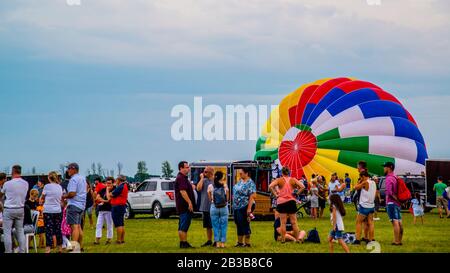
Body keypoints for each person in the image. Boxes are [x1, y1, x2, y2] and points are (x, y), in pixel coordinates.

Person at [269, 166, 305, 243]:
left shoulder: (279, 180)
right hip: (291, 201)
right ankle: (297, 238)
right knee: (294, 222)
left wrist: (275, 194)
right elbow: (302, 186)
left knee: (283, 223)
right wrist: (297, 193)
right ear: (289, 172)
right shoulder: (293, 180)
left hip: (281, 202)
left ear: (282, 172)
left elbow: (270, 186)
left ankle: (283, 240)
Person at [0, 165, 28, 253]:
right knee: (20, 231)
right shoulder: (25, 183)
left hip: (9, 209)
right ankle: (22, 251)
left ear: (13, 171)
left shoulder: (7, 184)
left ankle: (8, 251)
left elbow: (1, 195)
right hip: (20, 208)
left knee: (7, 232)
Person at [63, 163, 87, 251]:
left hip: (74, 204)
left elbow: (72, 193)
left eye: (69, 168)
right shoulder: (82, 178)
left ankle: (74, 247)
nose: (67, 170)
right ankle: (80, 246)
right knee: (79, 226)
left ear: (74, 169)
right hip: (81, 205)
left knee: (74, 227)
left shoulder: (73, 179)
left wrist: (64, 196)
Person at [233, 168, 256, 247]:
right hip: (237, 206)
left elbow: (253, 196)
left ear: (246, 173)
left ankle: (247, 242)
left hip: (245, 205)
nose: (240, 175)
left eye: (241, 173)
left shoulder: (250, 183)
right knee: (238, 223)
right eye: (239, 173)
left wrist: (249, 209)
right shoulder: (240, 181)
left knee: (244, 223)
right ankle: (240, 242)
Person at [175, 161, 196, 248]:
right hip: (184, 206)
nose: (188, 169)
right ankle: (183, 243)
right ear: (181, 168)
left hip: (184, 205)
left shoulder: (183, 178)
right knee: (184, 224)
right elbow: (182, 191)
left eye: (188, 167)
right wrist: (189, 202)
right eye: (186, 167)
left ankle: (184, 242)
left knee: (184, 224)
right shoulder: (181, 178)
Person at [41, 171, 64, 253]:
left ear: (49, 178)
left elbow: (42, 198)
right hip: (58, 210)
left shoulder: (47, 186)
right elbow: (61, 198)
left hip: (48, 210)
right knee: (58, 229)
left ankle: (48, 248)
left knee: (48, 230)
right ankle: (60, 247)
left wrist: (41, 201)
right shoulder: (59, 187)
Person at [353, 171, 376, 245]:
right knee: (371, 223)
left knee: (358, 222)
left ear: (363, 176)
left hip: (364, 206)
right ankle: (371, 239)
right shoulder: (373, 182)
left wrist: (359, 181)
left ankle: (357, 240)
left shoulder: (365, 182)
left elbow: (355, 187)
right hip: (371, 205)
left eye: (361, 177)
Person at [207, 171, 229, 248]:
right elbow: (227, 198)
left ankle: (217, 243)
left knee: (215, 225)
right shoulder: (224, 185)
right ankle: (222, 244)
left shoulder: (210, 186)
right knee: (223, 225)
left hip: (214, 207)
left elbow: (209, 198)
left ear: (215, 176)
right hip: (224, 207)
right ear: (221, 177)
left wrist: (213, 202)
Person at [384, 162, 403, 246]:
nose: (384, 168)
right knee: (399, 222)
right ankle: (400, 240)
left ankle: (396, 241)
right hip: (397, 204)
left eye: (385, 167)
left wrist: (396, 199)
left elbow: (389, 192)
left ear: (389, 168)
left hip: (391, 203)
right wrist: (399, 201)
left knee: (394, 222)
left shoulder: (388, 178)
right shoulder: (395, 177)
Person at [107, 175, 128, 244]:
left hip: (117, 206)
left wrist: (108, 190)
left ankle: (118, 240)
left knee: (118, 224)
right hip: (122, 206)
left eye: (117, 179)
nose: (116, 181)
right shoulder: (124, 186)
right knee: (121, 224)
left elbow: (111, 195)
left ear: (119, 180)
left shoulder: (120, 187)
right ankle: (122, 239)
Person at [196, 166, 214, 247]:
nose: (204, 173)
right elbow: (198, 188)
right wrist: (202, 178)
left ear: (211, 172)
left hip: (215, 206)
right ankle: (209, 240)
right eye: (204, 171)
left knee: (216, 224)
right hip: (205, 206)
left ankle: (217, 240)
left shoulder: (215, 181)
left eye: (206, 172)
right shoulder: (204, 180)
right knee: (208, 225)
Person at [95, 177, 114, 245]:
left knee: (109, 225)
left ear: (112, 183)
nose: (108, 184)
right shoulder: (102, 189)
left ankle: (109, 239)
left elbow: (109, 198)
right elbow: (97, 198)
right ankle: (97, 239)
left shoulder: (114, 190)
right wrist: (105, 201)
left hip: (109, 210)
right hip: (101, 210)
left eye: (110, 183)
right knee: (98, 225)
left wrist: (107, 190)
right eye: (107, 183)